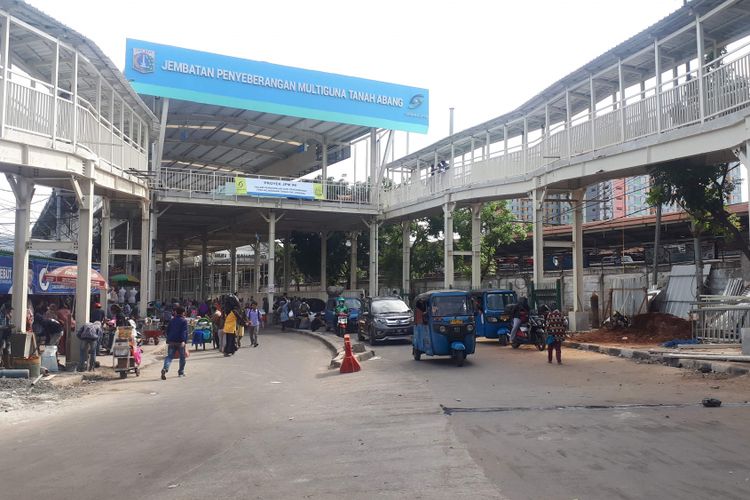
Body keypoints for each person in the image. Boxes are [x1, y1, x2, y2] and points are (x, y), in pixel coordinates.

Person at [161, 306, 188, 379]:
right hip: (180, 342)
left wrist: (168, 339)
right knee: (182, 357)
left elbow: (168, 330)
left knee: (169, 357)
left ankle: (165, 368)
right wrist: (183, 340)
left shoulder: (172, 320)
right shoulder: (184, 321)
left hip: (171, 341)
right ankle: (181, 372)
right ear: (183, 313)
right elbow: (184, 331)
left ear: (176, 312)